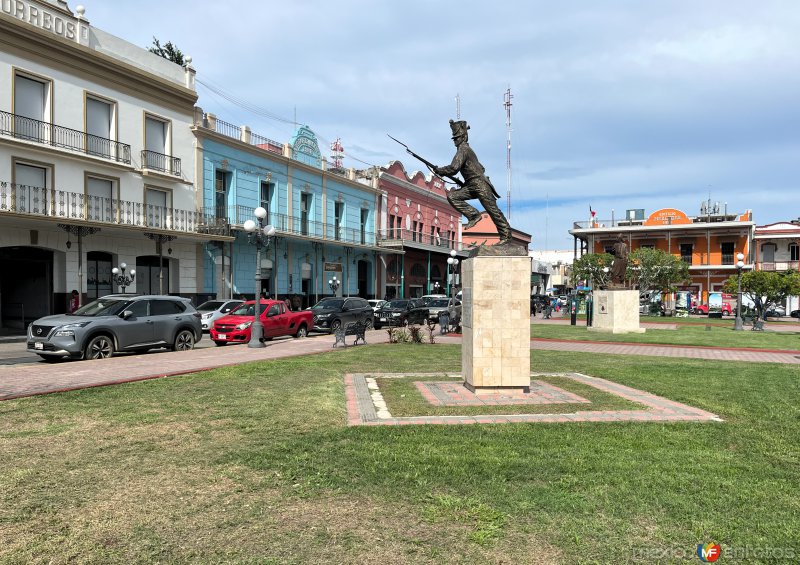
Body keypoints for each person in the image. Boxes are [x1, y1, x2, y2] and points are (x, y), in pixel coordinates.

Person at [434, 120, 512, 244]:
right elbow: (481, 168)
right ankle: (474, 215)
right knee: (453, 196)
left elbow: (454, 168)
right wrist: (467, 180)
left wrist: (440, 170)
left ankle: (506, 236)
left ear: (464, 137)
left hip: (480, 184)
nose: (456, 141)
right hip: (472, 185)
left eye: (458, 138)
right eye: (454, 139)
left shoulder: (463, 149)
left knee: (493, 211)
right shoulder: (467, 150)